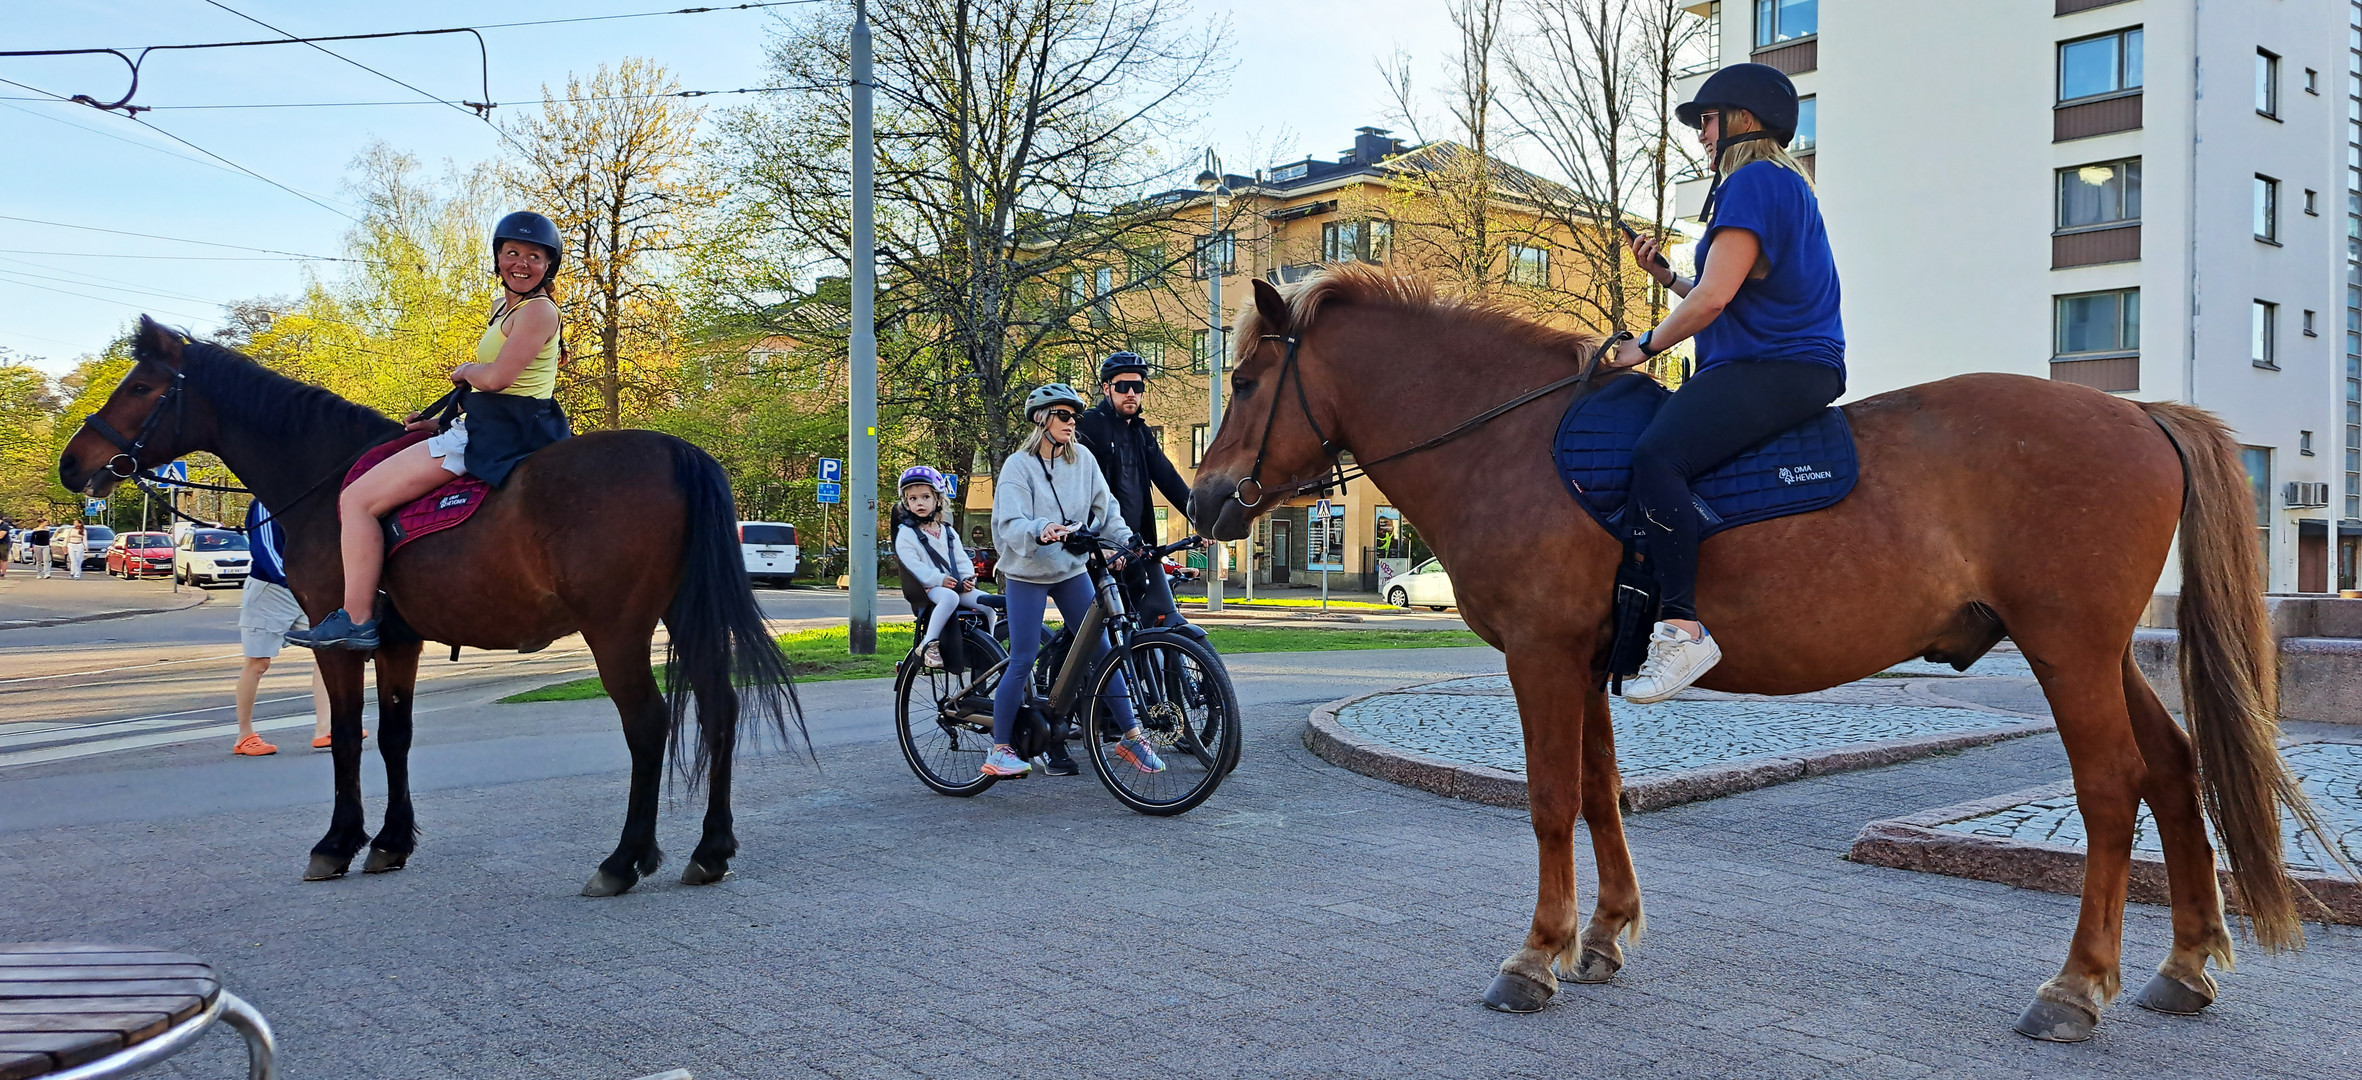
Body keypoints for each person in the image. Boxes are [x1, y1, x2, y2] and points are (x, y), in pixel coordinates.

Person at [1611, 62, 1845, 704]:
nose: (1700, 136)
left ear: (1742, 120)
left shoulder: (1753, 181)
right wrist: (1667, 279)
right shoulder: (1780, 185)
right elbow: (1729, 295)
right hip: (1781, 357)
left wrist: (1643, 346)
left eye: (1706, 121)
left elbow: (1715, 302)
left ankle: (1683, 628)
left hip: (1777, 364)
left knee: (1659, 455)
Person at [288, 211, 573, 651]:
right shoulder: (505, 307)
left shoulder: (538, 312)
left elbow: (497, 379)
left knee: (357, 500)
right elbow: (498, 389)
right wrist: (439, 421)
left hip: (504, 433)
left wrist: (466, 369)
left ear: (547, 266)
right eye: (512, 252)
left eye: (534, 256)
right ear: (498, 257)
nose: (521, 262)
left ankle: (357, 619)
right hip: (491, 420)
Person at [987, 383, 1165, 779]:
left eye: (1075, 416)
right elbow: (1009, 523)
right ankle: (1000, 747)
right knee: (1022, 658)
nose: (1072, 423)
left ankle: (1131, 736)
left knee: (1104, 650)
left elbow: (1107, 508)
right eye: (1063, 415)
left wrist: (1127, 541)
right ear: (1042, 419)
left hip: (1070, 569)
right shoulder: (1018, 465)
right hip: (1027, 572)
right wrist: (1042, 527)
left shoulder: (1082, 459)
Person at [1074, 351, 1203, 628]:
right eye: (1122, 386)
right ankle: (1060, 670)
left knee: (1136, 623)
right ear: (1107, 388)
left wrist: (1202, 520)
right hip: (1102, 548)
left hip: (1135, 546)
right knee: (1091, 627)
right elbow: (1079, 489)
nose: (1131, 393)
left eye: (1138, 387)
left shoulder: (1141, 433)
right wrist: (1097, 545)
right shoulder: (1090, 426)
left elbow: (1168, 478)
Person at [229, 500, 339, 756]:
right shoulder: (266, 501)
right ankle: (244, 736)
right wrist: (294, 581)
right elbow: (264, 549)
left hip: (304, 588)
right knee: (258, 662)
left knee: (329, 651)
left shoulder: (305, 496)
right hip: (270, 590)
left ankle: (325, 730)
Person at [893, 466, 992, 667]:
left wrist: (966, 578)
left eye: (925, 497)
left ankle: (989, 647)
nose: (919, 502)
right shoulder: (906, 534)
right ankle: (929, 643)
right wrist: (939, 580)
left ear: (937, 500)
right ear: (906, 503)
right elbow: (914, 567)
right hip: (928, 588)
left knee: (988, 603)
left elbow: (961, 558)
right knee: (949, 598)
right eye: (912, 499)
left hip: (953, 584)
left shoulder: (947, 531)